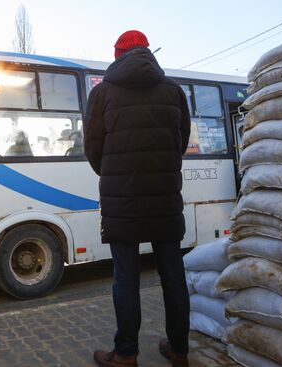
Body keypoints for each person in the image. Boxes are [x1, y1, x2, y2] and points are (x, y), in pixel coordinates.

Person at [84, 30, 191, 367]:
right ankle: (179, 350)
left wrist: (114, 173)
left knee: (126, 278)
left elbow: (93, 147)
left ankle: (126, 354)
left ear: (118, 54)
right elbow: (180, 141)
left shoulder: (102, 93)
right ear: (147, 52)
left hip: (121, 199)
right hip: (164, 198)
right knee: (173, 276)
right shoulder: (173, 91)